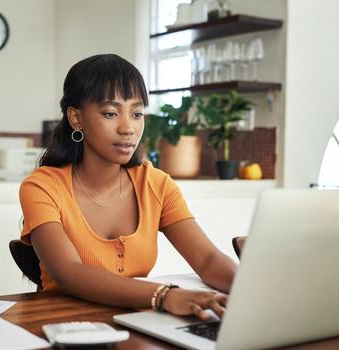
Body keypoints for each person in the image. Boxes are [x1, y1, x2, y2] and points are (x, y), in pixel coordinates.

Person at [19, 54, 237, 320]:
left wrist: (253, 290)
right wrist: (164, 295)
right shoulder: (42, 187)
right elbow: (69, 273)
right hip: (62, 329)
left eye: (136, 113)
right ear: (76, 118)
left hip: (139, 326)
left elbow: (207, 260)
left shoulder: (156, 185)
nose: (128, 128)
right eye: (110, 113)